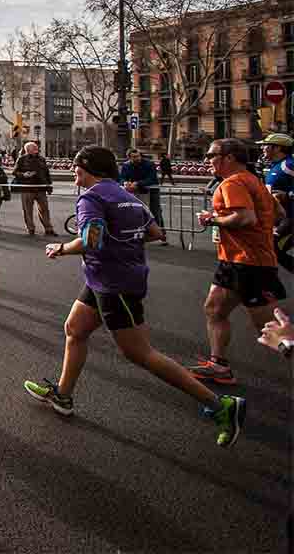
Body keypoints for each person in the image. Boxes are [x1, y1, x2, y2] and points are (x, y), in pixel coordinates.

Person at [24, 145, 244, 448]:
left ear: (88, 168)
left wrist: (60, 248)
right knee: (75, 329)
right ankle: (63, 395)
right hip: (104, 279)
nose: (74, 175)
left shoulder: (92, 197)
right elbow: (155, 232)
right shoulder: (127, 196)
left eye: (77, 169)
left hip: (115, 283)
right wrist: (123, 240)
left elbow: (92, 240)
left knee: (140, 353)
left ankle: (221, 406)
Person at [187, 138, 286, 385]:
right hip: (234, 260)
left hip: (250, 263)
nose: (207, 160)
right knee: (214, 309)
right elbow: (279, 214)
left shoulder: (233, 183)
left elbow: (245, 218)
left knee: (271, 328)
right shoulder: (255, 181)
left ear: (229, 157)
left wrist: (212, 220)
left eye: (211, 155)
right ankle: (219, 365)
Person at [258, 132, 294, 273]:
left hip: (290, 219)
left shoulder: (289, 165)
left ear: (277, 148)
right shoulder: (274, 166)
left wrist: (289, 195)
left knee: (270, 247)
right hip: (279, 218)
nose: (262, 148)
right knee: (269, 249)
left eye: (265, 145)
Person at [12, 141, 55, 236]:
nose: (37, 149)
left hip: (41, 189)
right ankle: (31, 229)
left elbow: (47, 174)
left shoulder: (42, 159)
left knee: (44, 209)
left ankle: (48, 229)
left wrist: (49, 186)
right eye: (34, 148)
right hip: (27, 189)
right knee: (28, 210)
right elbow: (14, 172)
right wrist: (24, 174)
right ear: (28, 150)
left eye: (37, 148)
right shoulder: (22, 159)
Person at [119, 149, 164, 236]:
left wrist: (138, 183)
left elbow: (152, 178)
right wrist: (124, 182)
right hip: (134, 191)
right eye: (134, 157)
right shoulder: (126, 165)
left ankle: (161, 234)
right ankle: (140, 233)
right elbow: (121, 178)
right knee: (136, 212)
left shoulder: (149, 164)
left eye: (138, 156)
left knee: (155, 211)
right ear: (129, 158)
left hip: (151, 190)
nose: (137, 158)